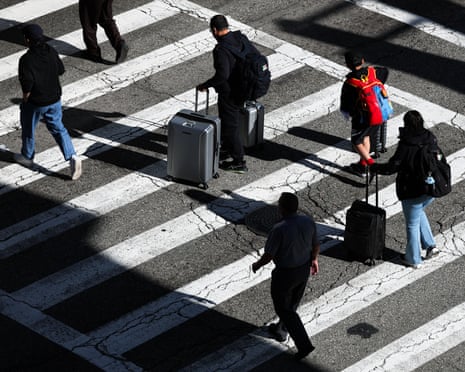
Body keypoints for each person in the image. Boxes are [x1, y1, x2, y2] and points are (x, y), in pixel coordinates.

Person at [252, 192, 320, 360]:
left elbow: (268, 256)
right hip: (303, 269)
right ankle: (281, 328)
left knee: (284, 308)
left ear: (281, 209)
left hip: (285, 273)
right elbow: (316, 243)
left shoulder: (279, 229)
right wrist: (314, 259)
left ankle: (304, 345)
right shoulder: (308, 222)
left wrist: (257, 265)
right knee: (293, 303)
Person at [371, 110, 440, 269]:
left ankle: (414, 259)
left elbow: (393, 166)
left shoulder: (407, 144)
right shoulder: (430, 137)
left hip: (412, 190)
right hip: (430, 187)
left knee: (412, 224)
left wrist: (375, 167)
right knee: (418, 212)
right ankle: (430, 246)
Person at [16, 23, 82, 180]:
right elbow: (60, 70)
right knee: (59, 128)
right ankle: (71, 156)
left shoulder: (26, 60)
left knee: (28, 129)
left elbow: (27, 84)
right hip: (54, 99)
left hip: (36, 102)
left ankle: (27, 156)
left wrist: (25, 100)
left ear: (27, 40)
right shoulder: (51, 51)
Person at [197, 14, 252, 174]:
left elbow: (222, 75)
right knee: (230, 123)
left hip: (231, 93)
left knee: (230, 126)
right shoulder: (239, 37)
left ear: (214, 30)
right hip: (244, 87)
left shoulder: (221, 49)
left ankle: (239, 161)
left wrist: (205, 85)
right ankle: (228, 149)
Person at [340, 51, 389, 177]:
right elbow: (385, 71)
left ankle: (371, 165)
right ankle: (362, 166)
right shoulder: (375, 72)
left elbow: (346, 104)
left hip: (362, 117)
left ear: (347, 65)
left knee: (356, 141)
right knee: (366, 137)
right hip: (380, 113)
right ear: (362, 61)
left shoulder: (350, 83)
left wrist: (349, 113)